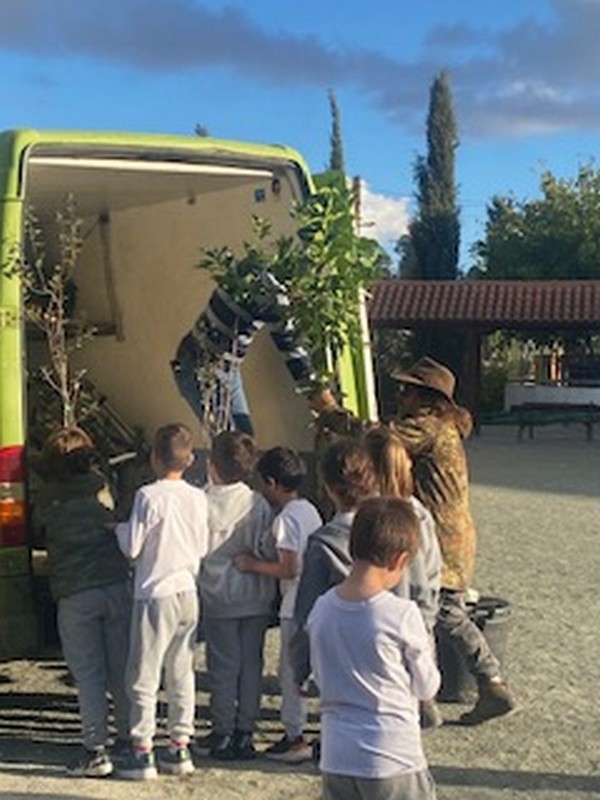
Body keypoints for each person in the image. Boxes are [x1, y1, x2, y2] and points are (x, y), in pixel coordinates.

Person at [391, 356, 516, 725]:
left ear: (425, 398)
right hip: (454, 535)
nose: (401, 396)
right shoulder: (445, 429)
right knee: (437, 613)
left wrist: (332, 413)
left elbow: (378, 439)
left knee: (438, 612)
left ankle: (478, 684)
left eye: (407, 391)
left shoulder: (427, 428)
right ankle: (483, 685)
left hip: (439, 539)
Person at [307, 497, 440, 800]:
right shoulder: (401, 614)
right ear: (399, 560)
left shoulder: (321, 609)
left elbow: (319, 675)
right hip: (392, 755)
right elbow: (427, 686)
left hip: (337, 753)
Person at [115, 423, 209, 779]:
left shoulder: (148, 496)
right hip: (188, 589)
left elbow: (132, 547)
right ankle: (180, 745)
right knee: (181, 670)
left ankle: (142, 750)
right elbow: (202, 546)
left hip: (155, 591)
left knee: (144, 672)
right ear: (190, 460)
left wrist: (119, 529)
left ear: (154, 457)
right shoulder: (198, 497)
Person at [37, 426, 131, 778]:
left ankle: (95, 748)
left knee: (88, 674)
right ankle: (128, 739)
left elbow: (40, 533)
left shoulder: (47, 499)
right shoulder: (103, 489)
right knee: (121, 668)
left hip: (74, 591)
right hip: (116, 584)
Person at [233, 446, 322, 762]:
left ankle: (294, 735)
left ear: (272, 482)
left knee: (290, 671)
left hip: (294, 604)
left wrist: (252, 564)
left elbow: (289, 567)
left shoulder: (285, 520)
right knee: (307, 668)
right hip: (314, 600)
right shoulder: (309, 510)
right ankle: (302, 730)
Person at [196, 431, 276, 760]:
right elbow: (267, 547)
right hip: (255, 592)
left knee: (223, 666)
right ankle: (246, 730)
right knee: (252, 664)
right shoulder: (257, 503)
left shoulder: (200, 501)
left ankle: (222, 729)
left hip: (217, 595)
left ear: (211, 464)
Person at [363, 425, 443, 729]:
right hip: (416, 612)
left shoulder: (369, 516)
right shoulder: (418, 512)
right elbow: (430, 572)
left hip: (382, 614)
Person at [171, 274, 319, 436]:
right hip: (202, 366)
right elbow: (290, 347)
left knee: (242, 441)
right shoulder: (273, 294)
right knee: (233, 445)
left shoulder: (250, 270)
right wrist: (319, 395)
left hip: (221, 365)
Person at [291, 438, 379, 688]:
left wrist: (300, 667)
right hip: (388, 646)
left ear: (328, 488)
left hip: (341, 654)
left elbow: (307, 611)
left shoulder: (323, 543)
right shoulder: (392, 530)